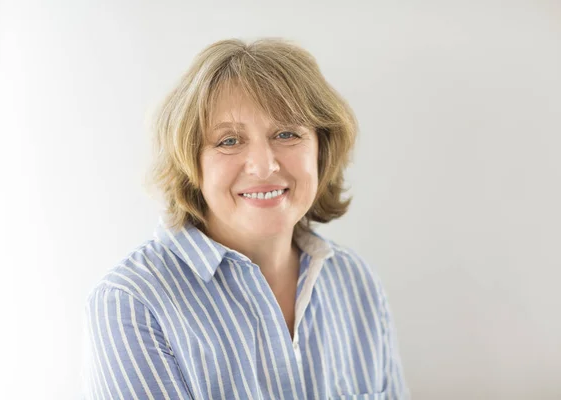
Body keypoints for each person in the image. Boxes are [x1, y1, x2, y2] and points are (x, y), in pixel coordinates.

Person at [82, 37, 409, 400]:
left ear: (322, 149)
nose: (264, 165)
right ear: (191, 163)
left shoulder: (355, 282)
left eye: (287, 134)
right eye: (229, 141)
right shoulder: (133, 303)